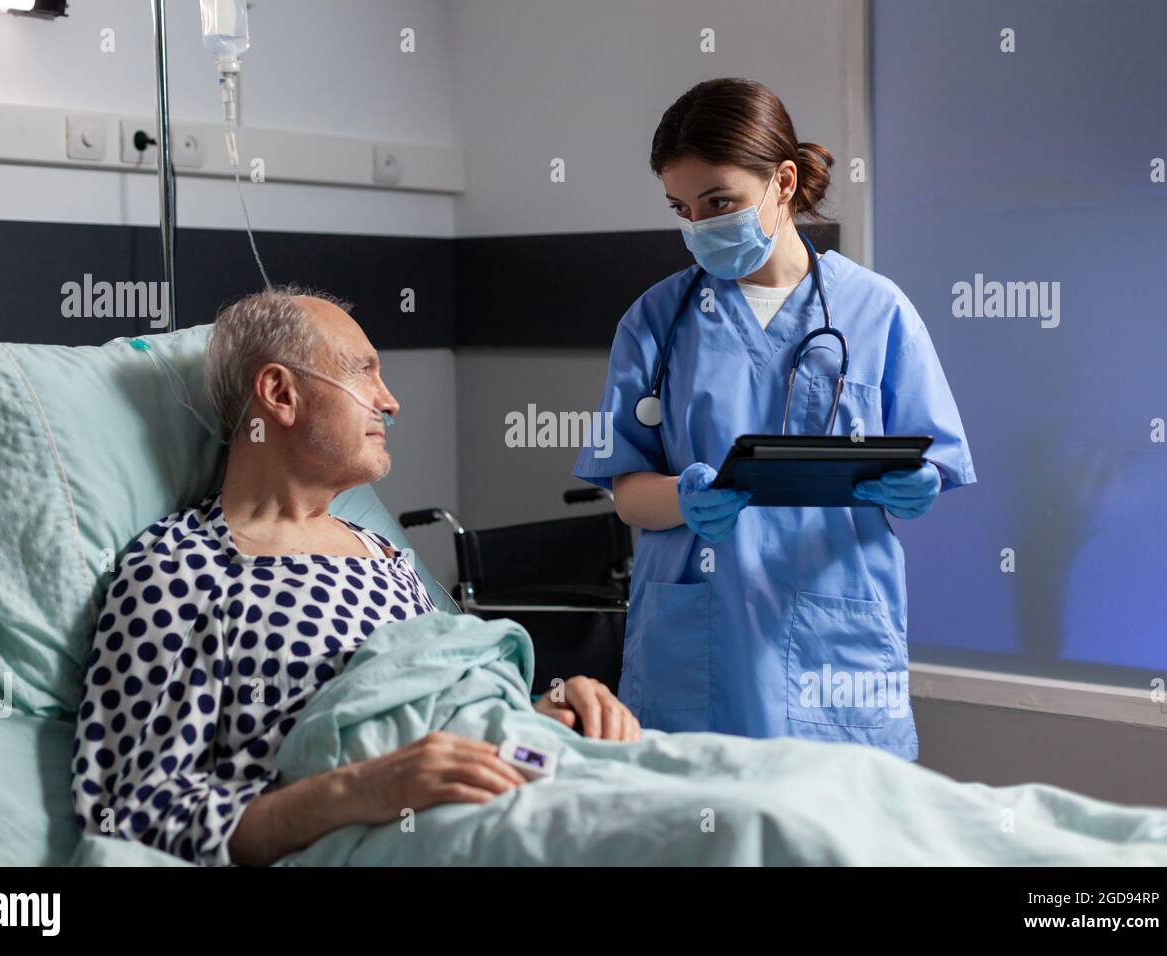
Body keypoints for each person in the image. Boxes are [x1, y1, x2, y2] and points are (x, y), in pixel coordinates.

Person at [72, 287, 640, 867]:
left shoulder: (383, 553)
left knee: (723, 787)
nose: (389, 402)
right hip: (404, 838)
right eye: (364, 372)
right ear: (280, 394)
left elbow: (444, 697)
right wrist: (361, 791)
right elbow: (134, 813)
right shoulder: (182, 570)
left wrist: (543, 710)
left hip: (507, 779)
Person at [573, 78, 976, 760]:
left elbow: (930, 459)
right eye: (683, 208)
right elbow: (628, 494)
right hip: (698, 639)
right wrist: (685, 498)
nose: (699, 226)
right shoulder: (657, 321)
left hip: (833, 631)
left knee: (844, 835)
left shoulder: (878, 311)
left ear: (782, 181)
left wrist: (921, 485)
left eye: (719, 202)